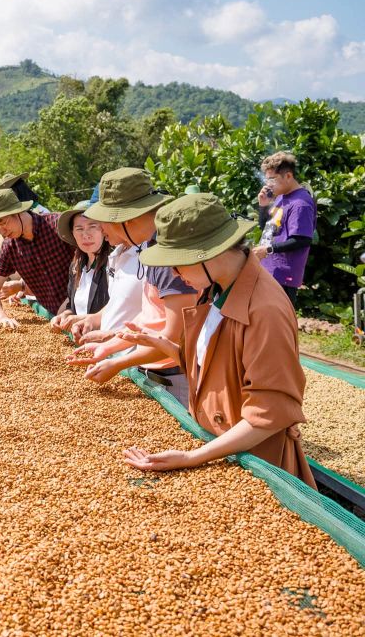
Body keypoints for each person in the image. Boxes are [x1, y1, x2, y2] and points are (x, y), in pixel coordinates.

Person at [118, 193, 315, 487]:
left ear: (208, 253)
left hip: (258, 466)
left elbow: (268, 414)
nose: (174, 273)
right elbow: (219, 369)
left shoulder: (265, 310)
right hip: (222, 450)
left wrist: (193, 457)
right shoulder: (218, 289)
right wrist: (165, 345)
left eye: (179, 263)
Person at [65, 168, 198, 406]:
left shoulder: (169, 255)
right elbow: (153, 317)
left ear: (125, 218)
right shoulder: (151, 246)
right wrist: (110, 347)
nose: (102, 230)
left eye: (104, 222)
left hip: (176, 379)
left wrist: (118, 363)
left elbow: (174, 339)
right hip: (157, 374)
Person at [0, 188, 73, 325]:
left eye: (2, 222)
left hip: (86, 307)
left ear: (17, 211)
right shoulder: (9, 247)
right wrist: (2, 317)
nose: (2, 231)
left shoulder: (57, 225)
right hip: (56, 317)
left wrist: (72, 301)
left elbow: (89, 264)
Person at [252, 152, 316, 307]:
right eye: (267, 179)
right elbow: (267, 228)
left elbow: (302, 239)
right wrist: (263, 206)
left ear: (288, 176)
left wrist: (267, 250)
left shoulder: (301, 204)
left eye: (272, 179)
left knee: (277, 324)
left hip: (283, 276)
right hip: (269, 270)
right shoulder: (281, 196)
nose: (268, 184)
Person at [49, 201, 110, 332]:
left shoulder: (113, 264)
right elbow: (72, 306)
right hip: (82, 342)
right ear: (73, 233)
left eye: (92, 226)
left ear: (104, 230)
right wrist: (64, 315)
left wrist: (84, 319)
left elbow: (122, 308)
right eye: (79, 229)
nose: (85, 235)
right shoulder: (76, 265)